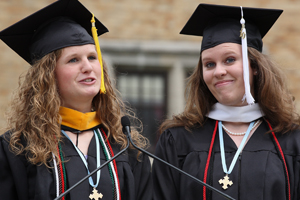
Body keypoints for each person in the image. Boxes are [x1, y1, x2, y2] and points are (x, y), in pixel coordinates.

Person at [0, 0, 152, 200]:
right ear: (47, 76)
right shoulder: (18, 148)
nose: (88, 67)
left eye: (92, 57)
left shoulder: (125, 145)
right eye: (73, 60)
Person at [152, 3, 300, 200]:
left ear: (254, 66)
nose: (219, 71)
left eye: (229, 60)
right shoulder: (178, 140)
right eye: (209, 64)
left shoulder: (291, 140)